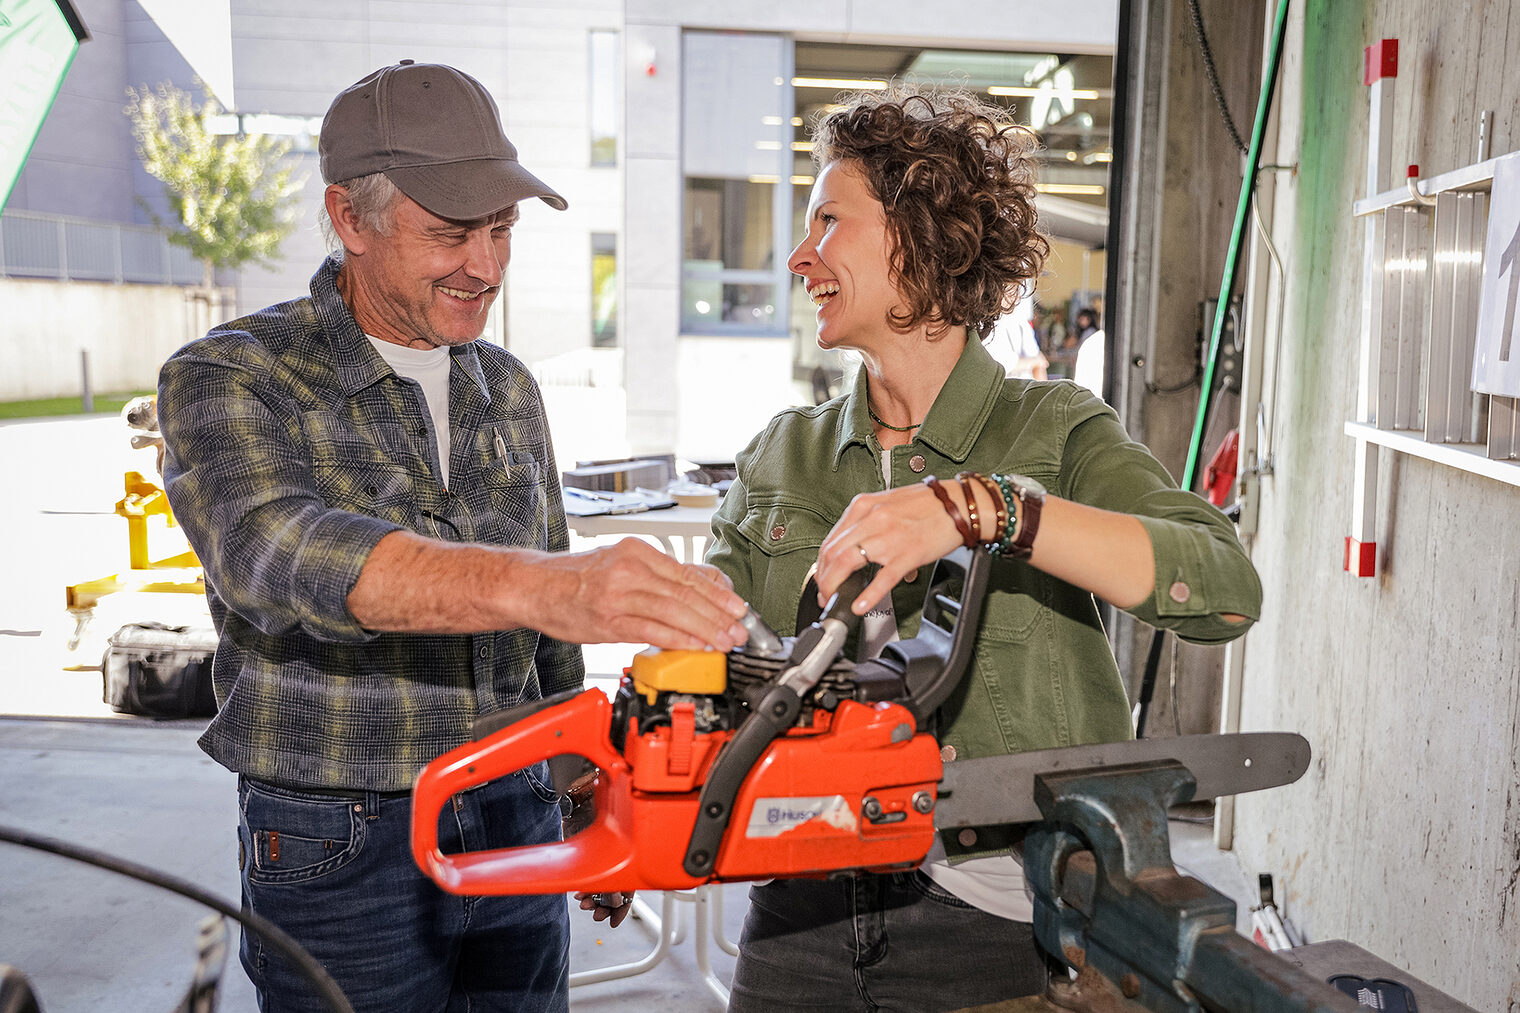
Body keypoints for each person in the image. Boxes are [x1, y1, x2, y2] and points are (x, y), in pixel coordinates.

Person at [156, 62, 749, 1013]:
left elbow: (554, 641)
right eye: (449, 234)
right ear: (350, 218)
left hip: (518, 807)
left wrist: (588, 794)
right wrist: (543, 585)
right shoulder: (231, 373)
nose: (487, 265)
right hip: (340, 834)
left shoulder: (506, 385)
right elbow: (275, 547)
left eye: (501, 228)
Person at [706, 85, 1261, 1011]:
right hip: (798, 909)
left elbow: (1223, 588)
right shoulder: (781, 456)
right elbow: (707, 664)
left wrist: (991, 511)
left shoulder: (1055, 431)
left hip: (995, 918)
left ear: (921, 235)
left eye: (828, 221)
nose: (801, 255)